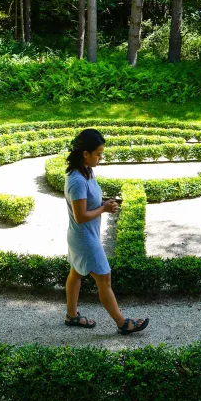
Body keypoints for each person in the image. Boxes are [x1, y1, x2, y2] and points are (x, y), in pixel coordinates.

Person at [64, 128, 149, 335]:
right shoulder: (77, 180)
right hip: (84, 238)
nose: (100, 158)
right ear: (86, 153)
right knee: (104, 278)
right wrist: (103, 208)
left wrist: (102, 203)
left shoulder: (87, 171)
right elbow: (81, 215)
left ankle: (71, 316)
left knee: (76, 273)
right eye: (98, 154)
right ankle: (123, 323)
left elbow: (87, 204)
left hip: (82, 235)